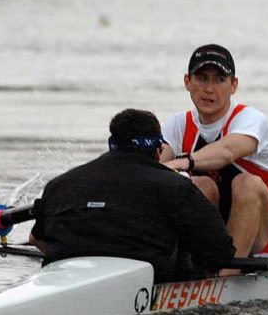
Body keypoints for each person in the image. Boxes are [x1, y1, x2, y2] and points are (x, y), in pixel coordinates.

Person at [29, 109, 235, 281]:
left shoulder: (60, 184)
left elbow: (36, 239)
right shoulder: (176, 186)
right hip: (145, 283)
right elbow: (221, 254)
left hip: (68, 277)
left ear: (112, 144)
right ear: (158, 151)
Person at [160, 44, 268, 266]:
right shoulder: (178, 124)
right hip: (216, 233)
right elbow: (154, 166)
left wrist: (185, 162)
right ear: (187, 82)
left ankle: (225, 277)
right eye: (202, 78)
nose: (209, 89)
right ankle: (188, 270)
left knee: (247, 183)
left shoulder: (251, 119)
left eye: (219, 80)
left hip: (262, 240)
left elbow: (227, 151)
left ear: (234, 85)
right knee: (200, 185)